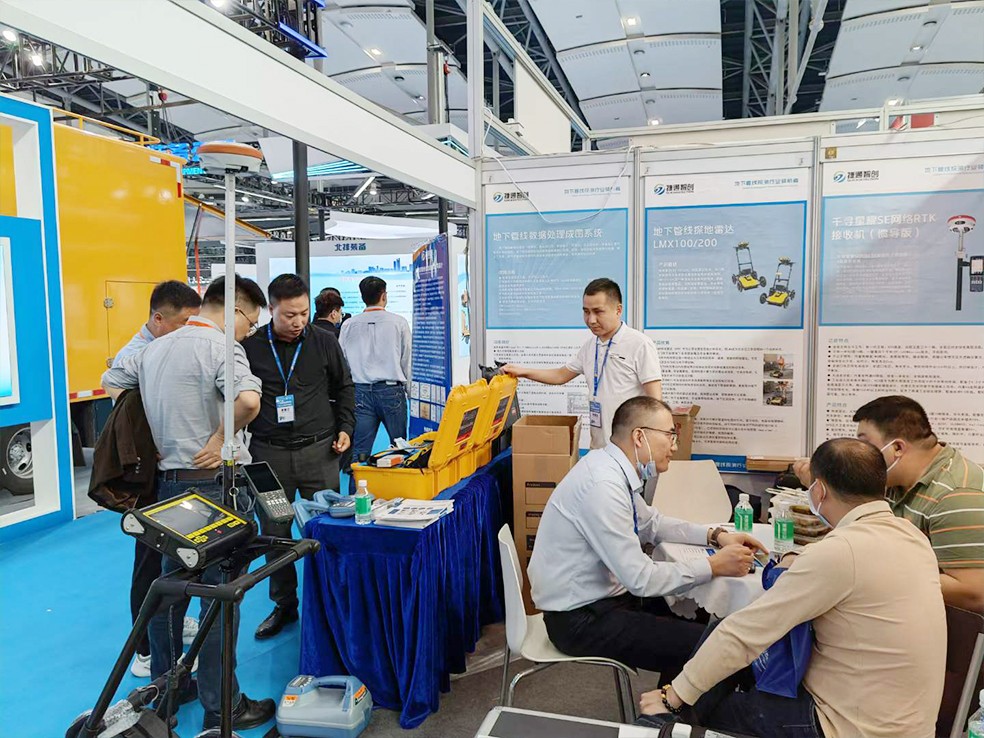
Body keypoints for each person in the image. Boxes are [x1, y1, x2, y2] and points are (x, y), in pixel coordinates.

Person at [639, 438, 947, 738]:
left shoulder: (840, 553)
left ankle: (659, 721)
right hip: (907, 722)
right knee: (722, 664)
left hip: (846, 726)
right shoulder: (912, 537)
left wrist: (674, 696)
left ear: (819, 490)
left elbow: (747, 632)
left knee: (704, 706)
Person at [102, 275, 276, 732]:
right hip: (217, 488)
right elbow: (248, 402)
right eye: (251, 322)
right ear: (234, 311)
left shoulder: (154, 349)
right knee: (220, 597)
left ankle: (166, 694)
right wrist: (219, 439)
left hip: (169, 489)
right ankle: (224, 706)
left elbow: (114, 382)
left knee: (170, 591)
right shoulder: (222, 347)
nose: (249, 332)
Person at [528, 396, 766, 678]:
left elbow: (653, 523)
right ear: (639, 437)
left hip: (605, 599)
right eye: (670, 435)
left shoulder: (610, 468)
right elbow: (641, 579)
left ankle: (672, 699)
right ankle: (670, 703)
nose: (674, 446)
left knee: (704, 624)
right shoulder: (603, 486)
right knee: (718, 649)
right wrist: (714, 565)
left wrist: (716, 536)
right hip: (580, 618)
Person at [793, 395, 984, 612]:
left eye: (866, 444)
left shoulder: (956, 494)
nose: (860, 453)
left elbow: (974, 593)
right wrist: (823, 487)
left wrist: (880, 572)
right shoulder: (893, 479)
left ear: (897, 448)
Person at [242, 274, 355, 640]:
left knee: (326, 528)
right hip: (268, 456)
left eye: (304, 313)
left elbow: (344, 386)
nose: (298, 321)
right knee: (274, 533)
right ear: (271, 309)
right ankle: (285, 604)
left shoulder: (324, 341)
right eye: (289, 315)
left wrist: (346, 427)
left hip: (318, 452)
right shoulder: (250, 347)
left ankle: (331, 604)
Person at [111, 280, 203, 678]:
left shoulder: (166, 348)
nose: (190, 331)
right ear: (159, 319)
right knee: (149, 559)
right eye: (184, 323)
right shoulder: (137, 355)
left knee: (171, 556)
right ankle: (146, 650)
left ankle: (166, 628)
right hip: (151, 477)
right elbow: (114, 387)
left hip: (170, 472)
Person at [502, 278, 662, 450]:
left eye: (598, 312)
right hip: (599, 446)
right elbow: (560, 375)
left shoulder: (640, 344)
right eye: (586, 312)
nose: (591, 320)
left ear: (618, 310)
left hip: (631, 448)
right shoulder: (590, 346)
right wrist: (521, 371)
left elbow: (655, 401)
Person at [339, 276, 411, 494]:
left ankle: (354, 499)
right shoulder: (398, 322)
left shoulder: (348, 325)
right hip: (391, 390)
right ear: (384, 295)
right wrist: (410, 392)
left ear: (362, 297)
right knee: (399, 448)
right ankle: (398, 494)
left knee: (360, 451)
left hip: (360, 391)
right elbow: (407, 361)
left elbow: (343, 361)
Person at [112, 280, 202, 367]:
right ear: (158, 319)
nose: (193, 329)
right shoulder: (131, 360)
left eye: (195, 322)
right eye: (186, 322)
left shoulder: (173, 346)